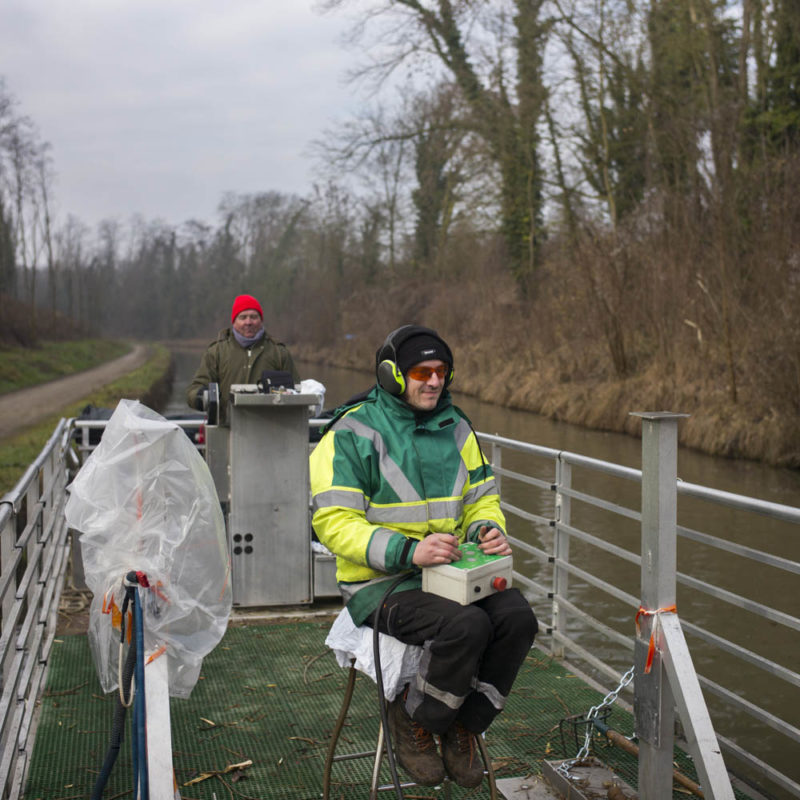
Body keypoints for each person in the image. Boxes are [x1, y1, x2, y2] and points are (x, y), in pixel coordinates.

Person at [309, 324, 538, 789]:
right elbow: (333, 523)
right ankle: (413, 721)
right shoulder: (351, 432)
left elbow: (481, 497)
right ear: (393, 375)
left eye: (442, 371)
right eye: (421, 371)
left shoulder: (458, 427)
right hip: (380, 583)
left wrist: (485, 528)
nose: (434, 381)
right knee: (466, 626)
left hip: (449, 574)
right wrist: (409, 551)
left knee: (518, 619)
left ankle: (464, 725)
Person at [186, 294, 299, 425]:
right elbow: (194, 390)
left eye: (253, 317)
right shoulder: (216, 352)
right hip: (226, 431)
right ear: (234, 321)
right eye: (243, 317)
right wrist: (202, 397)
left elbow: (296, 391)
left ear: (261, 320)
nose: (248, 322)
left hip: (270, 431)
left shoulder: (279, 353)